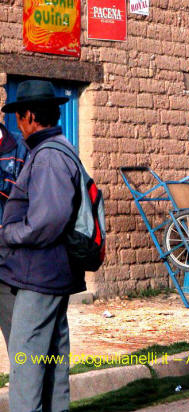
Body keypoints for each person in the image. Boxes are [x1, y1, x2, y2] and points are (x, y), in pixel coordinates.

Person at [0, 80, 85, 412]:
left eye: (19, 117)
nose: (18, 126)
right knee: (51, 358)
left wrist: (7, 233)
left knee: (26, 360)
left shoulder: (48, 157)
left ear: (31, 116)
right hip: (52, 275)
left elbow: (47, 221)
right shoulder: (58, 149)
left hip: (39, 277)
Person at [0, 123, 27, 346]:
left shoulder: (20, 147)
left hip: (7, 248)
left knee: (15, 326)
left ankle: (23, 377)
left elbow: (23, 191)